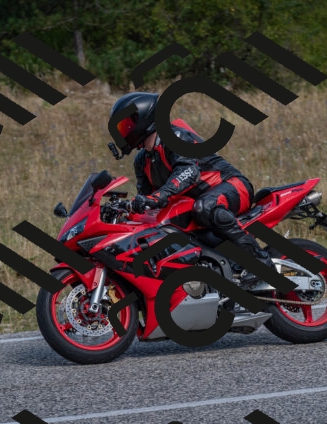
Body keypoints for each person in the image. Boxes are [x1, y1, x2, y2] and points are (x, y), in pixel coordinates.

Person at [109, 91, 275, 288]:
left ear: (143, 118)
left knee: (204, 207)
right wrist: (127, 210)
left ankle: (261, 262)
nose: (123, 131)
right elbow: (146, 198)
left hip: (232, 186)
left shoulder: (175, 137)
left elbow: (188, 171)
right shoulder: (142, 160)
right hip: (196, 200)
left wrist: (159, 196)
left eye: (126, 125)